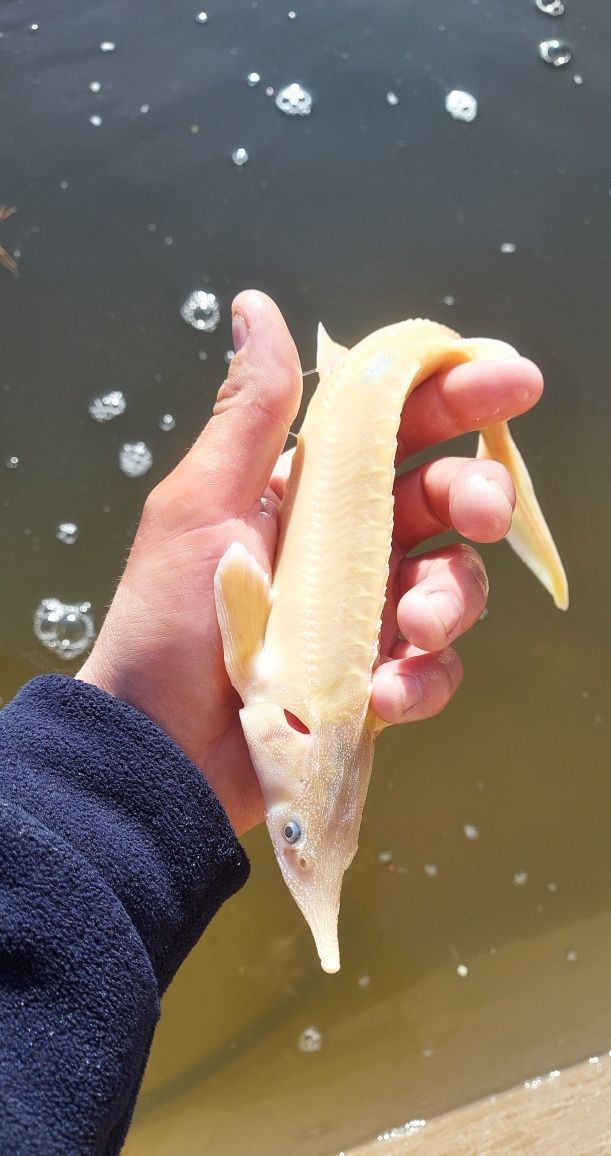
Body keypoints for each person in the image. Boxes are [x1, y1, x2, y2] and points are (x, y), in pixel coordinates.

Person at [0, 291, 543, 1154]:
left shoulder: (271, 690)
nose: (288, 842)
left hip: (375, 383)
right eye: (292, 833)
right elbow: (233, 596)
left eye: (298, 835)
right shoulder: (268, 687)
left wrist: (130, 759)